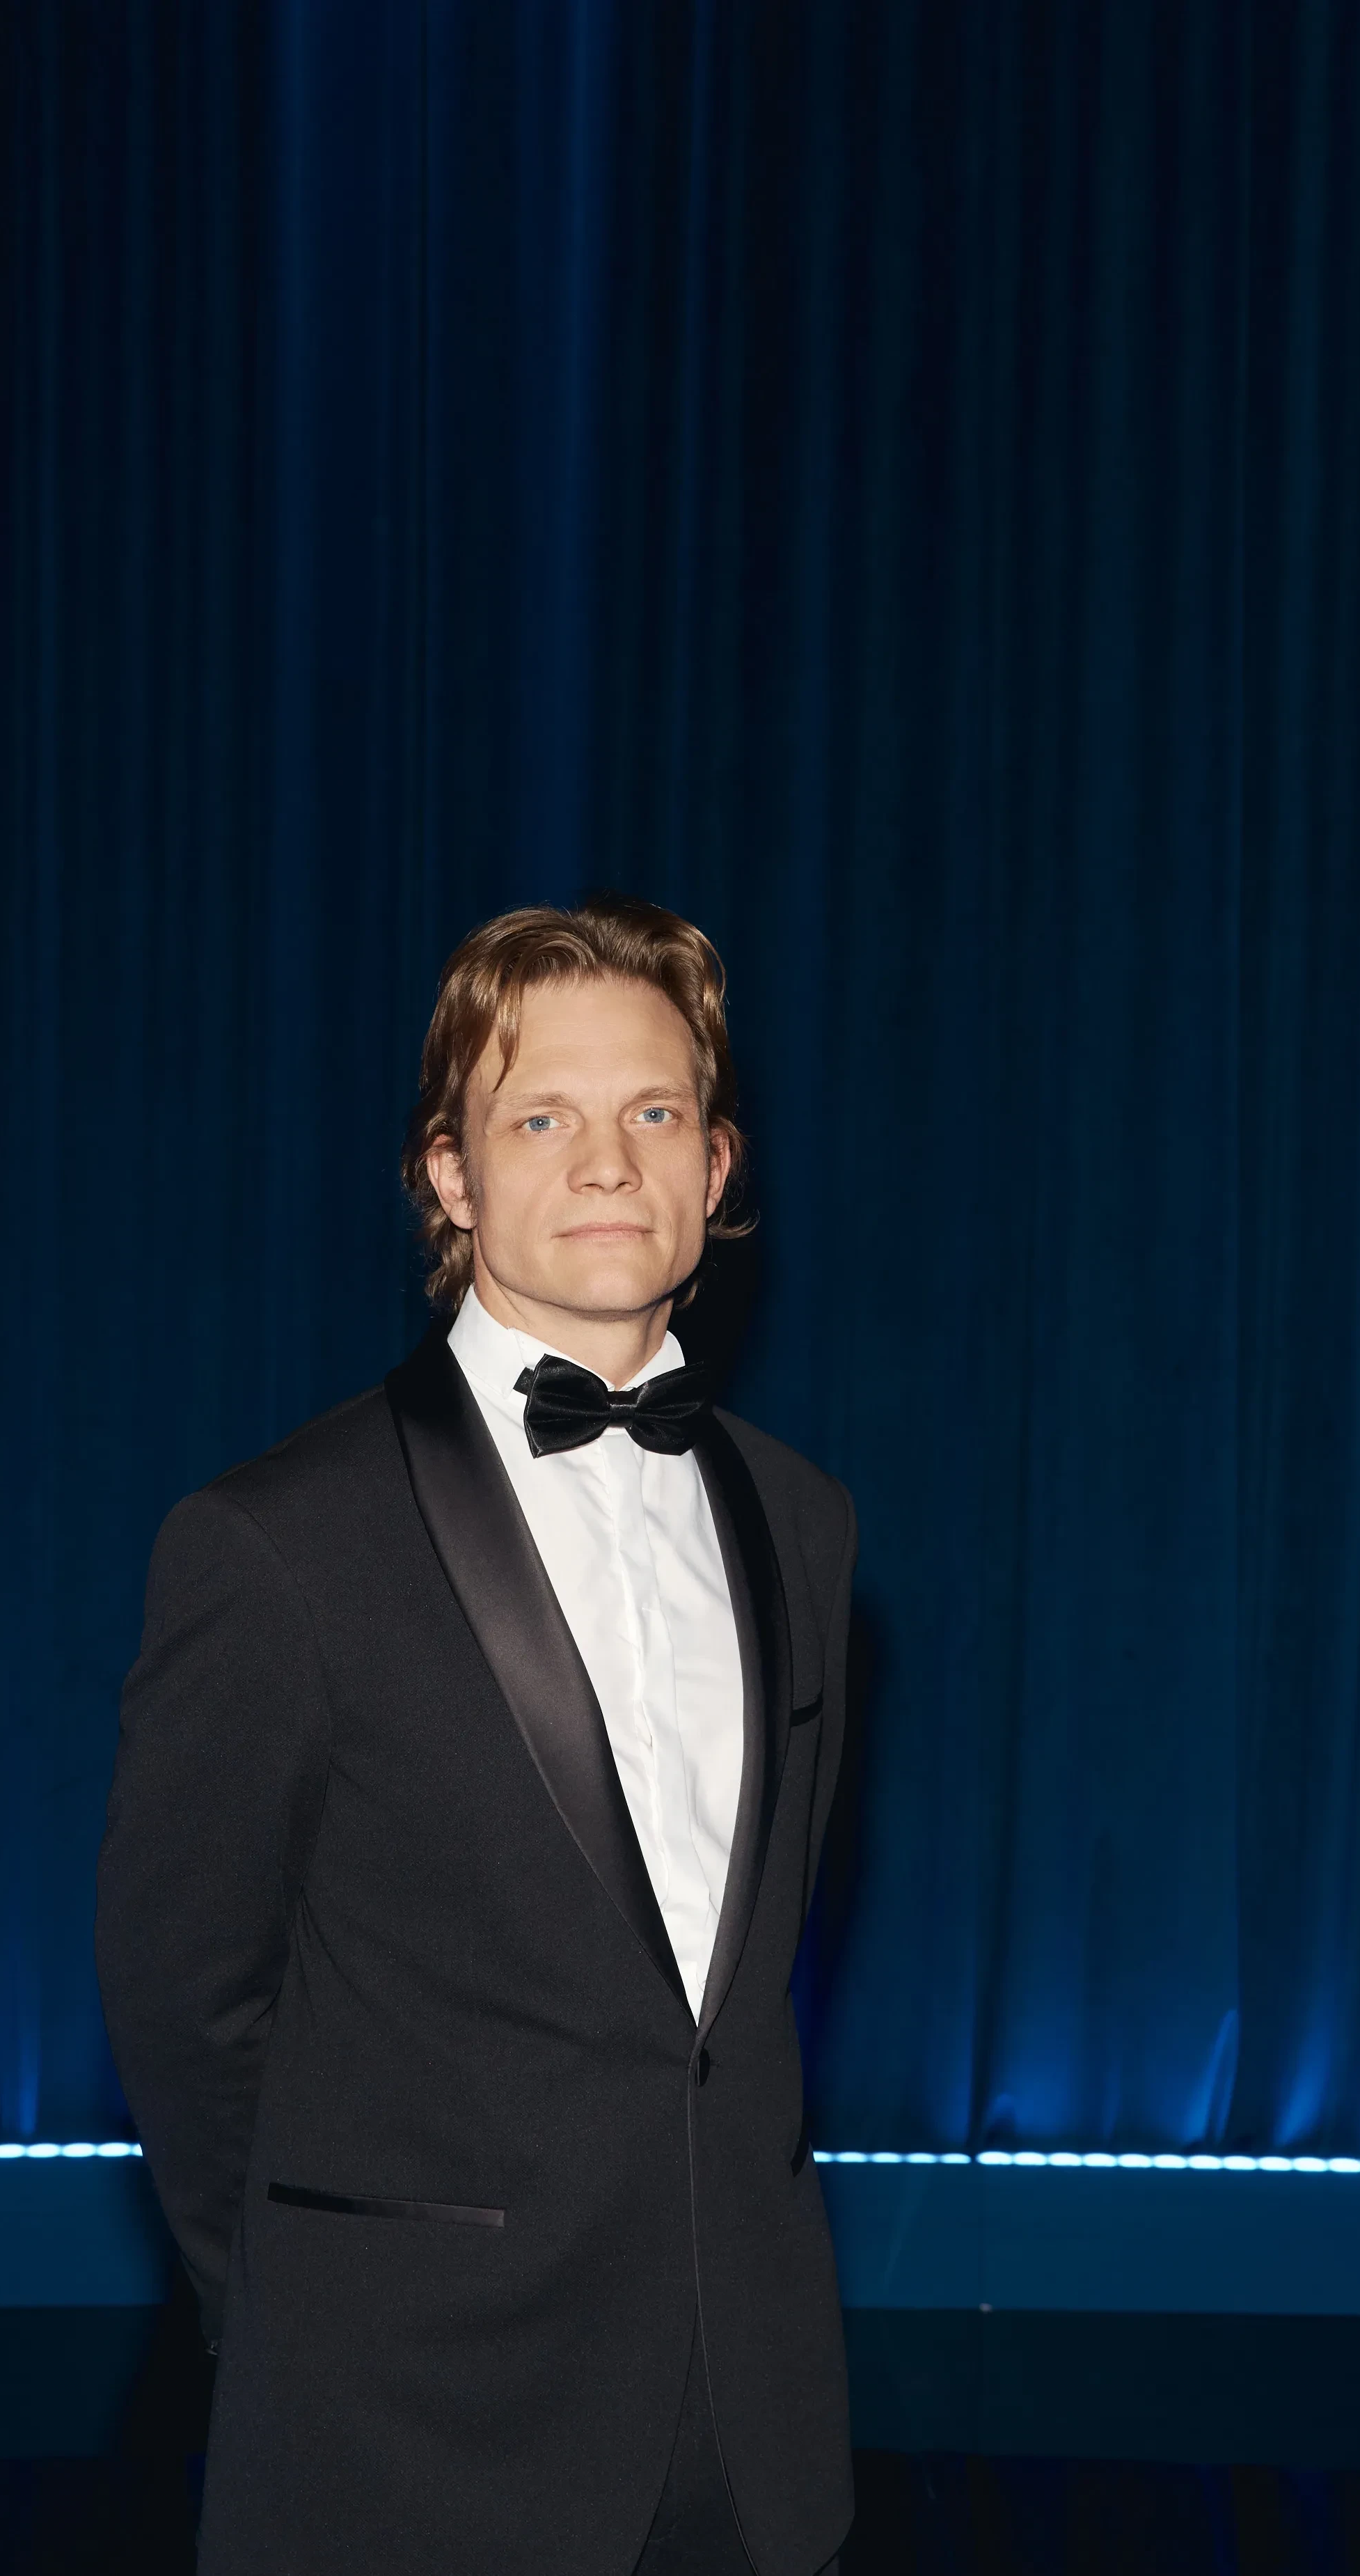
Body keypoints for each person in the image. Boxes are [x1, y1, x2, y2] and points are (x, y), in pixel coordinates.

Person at [96, 897, 857, 2576]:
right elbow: (184, 2000)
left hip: (754, 2436)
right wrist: (315, 2312)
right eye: (541, 1118)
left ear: (718, 1164)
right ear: (449, 1174)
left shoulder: (806, 1524)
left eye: (653, 1109)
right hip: (407, 2436)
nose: (609, 1161)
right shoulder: (275, 1545)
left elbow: (728, 1995)